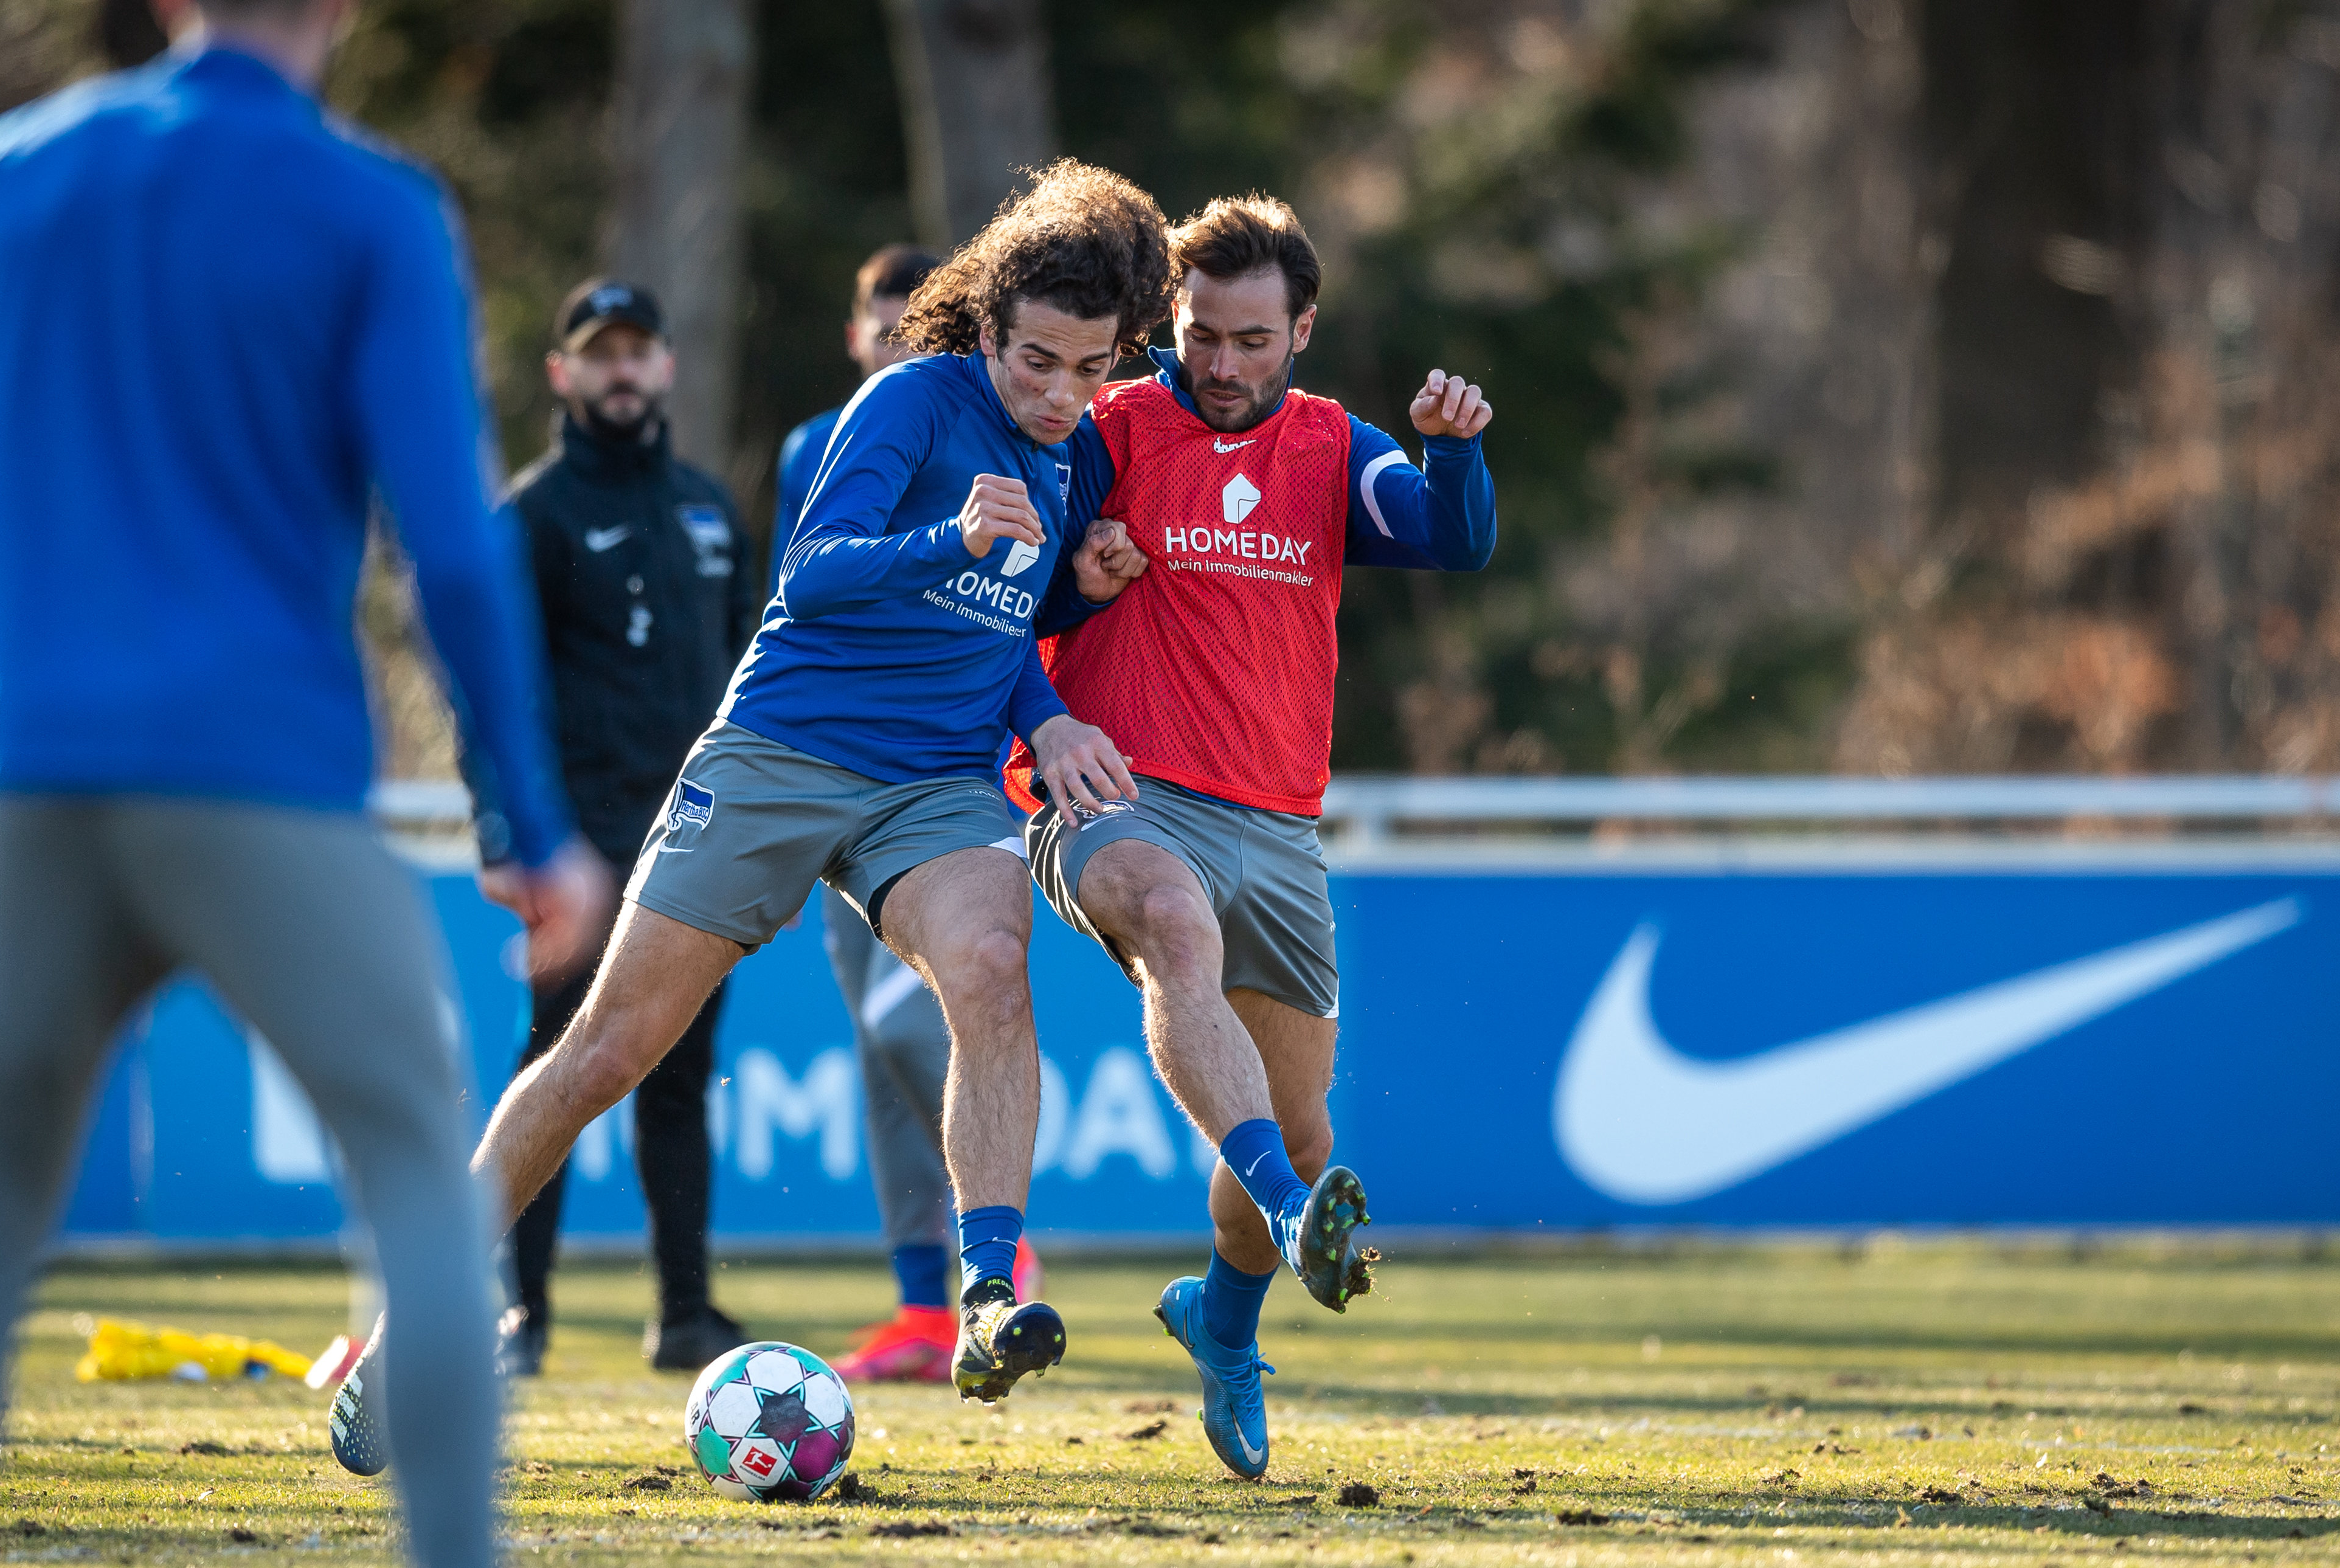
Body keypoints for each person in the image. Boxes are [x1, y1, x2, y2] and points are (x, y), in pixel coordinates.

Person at [0, 1, 609, 1564]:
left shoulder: (10, 168)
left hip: (29, 788)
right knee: (416, 1189)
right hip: (262, 784)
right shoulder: (370, 205)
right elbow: (448, 544)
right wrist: (525, 813)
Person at [328, 159, 1168, 1474]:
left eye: (1089, 369)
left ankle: (990, 1294)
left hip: (937, 781)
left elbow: (997, 623)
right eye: (1037, 363)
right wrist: (950, 536)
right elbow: (817, 578)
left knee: (995, 975)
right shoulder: (907, 402)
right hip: (784, 751)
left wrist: (1052, 685)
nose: (1061, 395)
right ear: (987, 329)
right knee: (604, 1051)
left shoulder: (1073, 452)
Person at [1009, 193, 1497, 1480]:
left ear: (1303, 332)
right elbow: (1010, 582)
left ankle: (1222, 1322)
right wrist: (1080, 574)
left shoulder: (1336, 446)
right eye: (1199, 336)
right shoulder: (1110, 428)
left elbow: (1452, 537)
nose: (1220, 367)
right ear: (1170, 324)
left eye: (1250, 341)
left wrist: (1452, 451)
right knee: (1170, 923)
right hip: (1111, 791)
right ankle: (1288, 1214)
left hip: (1276, 824)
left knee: (1306, 1126)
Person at [479, 278, 756, 1379]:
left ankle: (684, 1314)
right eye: (601, 354)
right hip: (580, 847)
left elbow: (752, 671)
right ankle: (520, 1317)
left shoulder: (705, 507)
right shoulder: (533, 515)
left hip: (695, 836)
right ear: (564, 373)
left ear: (668, 366)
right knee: (558, 1063)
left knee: (683, 1072)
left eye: (640, 351)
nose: (623, 371)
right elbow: (489, 697)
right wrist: (511, 832)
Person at [776, 245, 1040, 1385]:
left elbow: (1011, 602)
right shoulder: (809, 449)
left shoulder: (996, 445)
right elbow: (809, 583)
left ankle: (997, 1240)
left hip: (937, 785)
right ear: (854, 334)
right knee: (871, 1048)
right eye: (879, 325)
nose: (896, 345)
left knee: (907, 1026)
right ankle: (922, 1308)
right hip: (820, 762)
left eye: (914, 328)